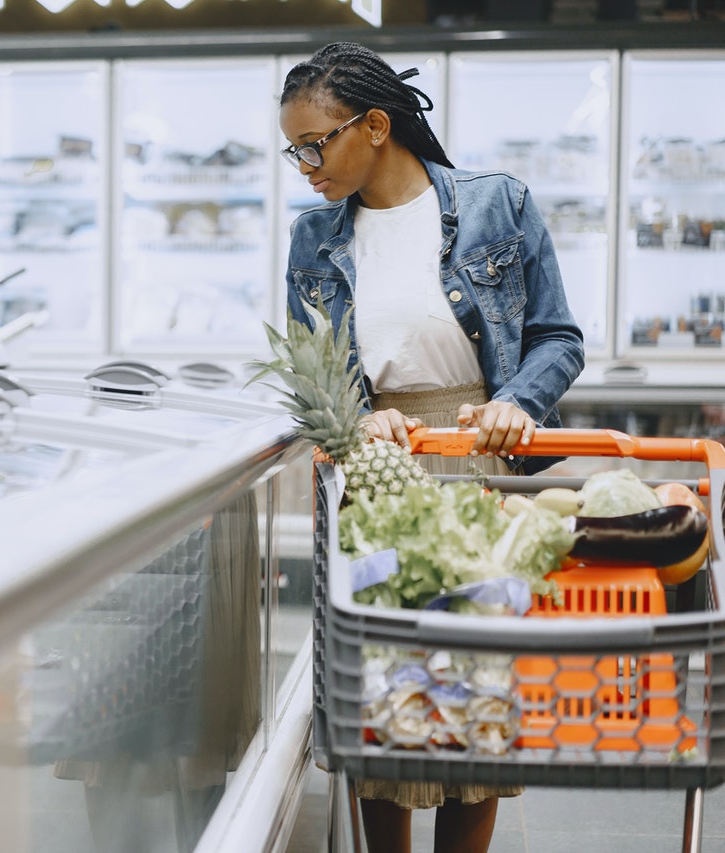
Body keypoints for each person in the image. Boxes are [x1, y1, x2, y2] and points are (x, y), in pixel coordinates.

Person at [278, 42, 586, 853]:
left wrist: (516, 403)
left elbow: (558, 337)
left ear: (376, 126)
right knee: (389, 702)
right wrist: (355, 417)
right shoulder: (313, 238)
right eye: (294, 150)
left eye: (315, 144)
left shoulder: (497, 205)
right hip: (375, 479)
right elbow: (311, 371)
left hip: (479, 469)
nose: (305, 166)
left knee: (477, 699)